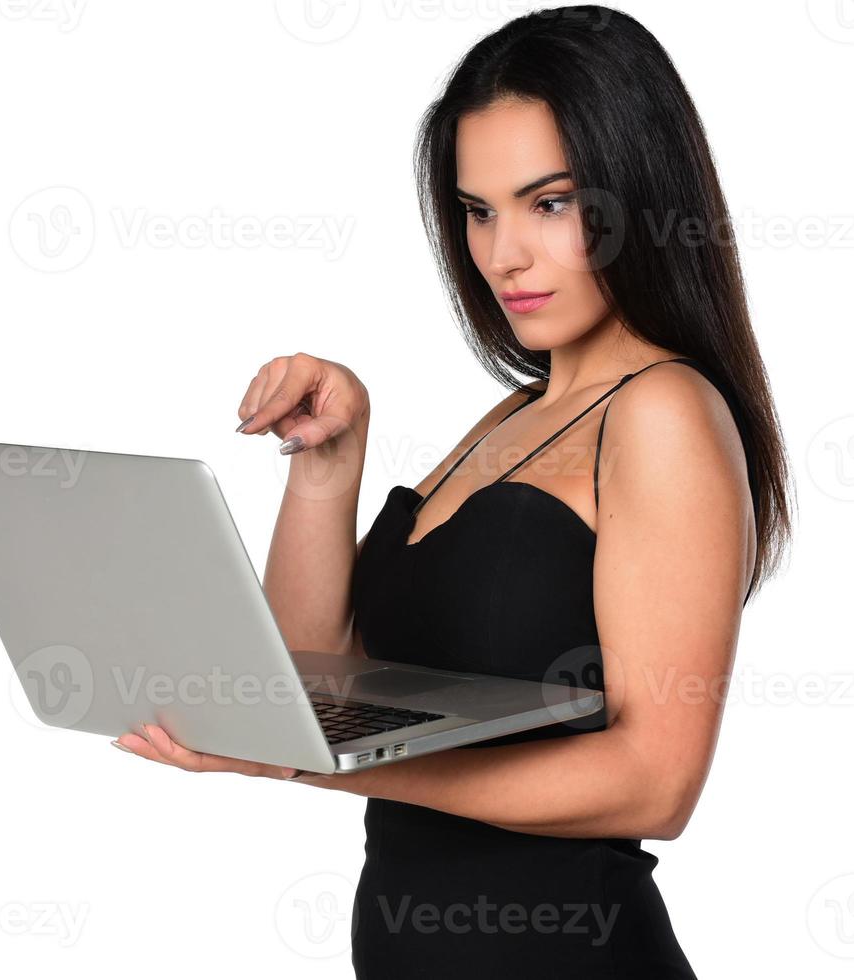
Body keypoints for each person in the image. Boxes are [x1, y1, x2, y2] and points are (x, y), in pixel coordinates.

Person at [111, 5, 793, 976]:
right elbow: (306, 676)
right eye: (478, 210)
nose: (503, 252)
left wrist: (331, 765)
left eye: (547, 201)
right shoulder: (511, 417)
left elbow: (655, 782)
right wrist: (326, 463)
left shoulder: (661, 410)